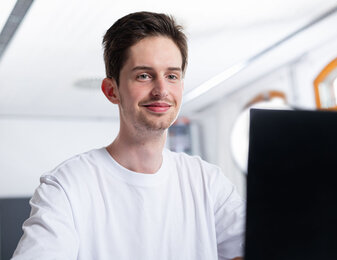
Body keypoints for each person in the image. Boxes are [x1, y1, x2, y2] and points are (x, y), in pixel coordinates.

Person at [12, 12, 245, 260]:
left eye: (172, 76)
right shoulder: (67, 187)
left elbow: (259, 247)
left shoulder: (208, 183)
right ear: (112, 91)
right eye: (144, 75)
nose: (161, 90)